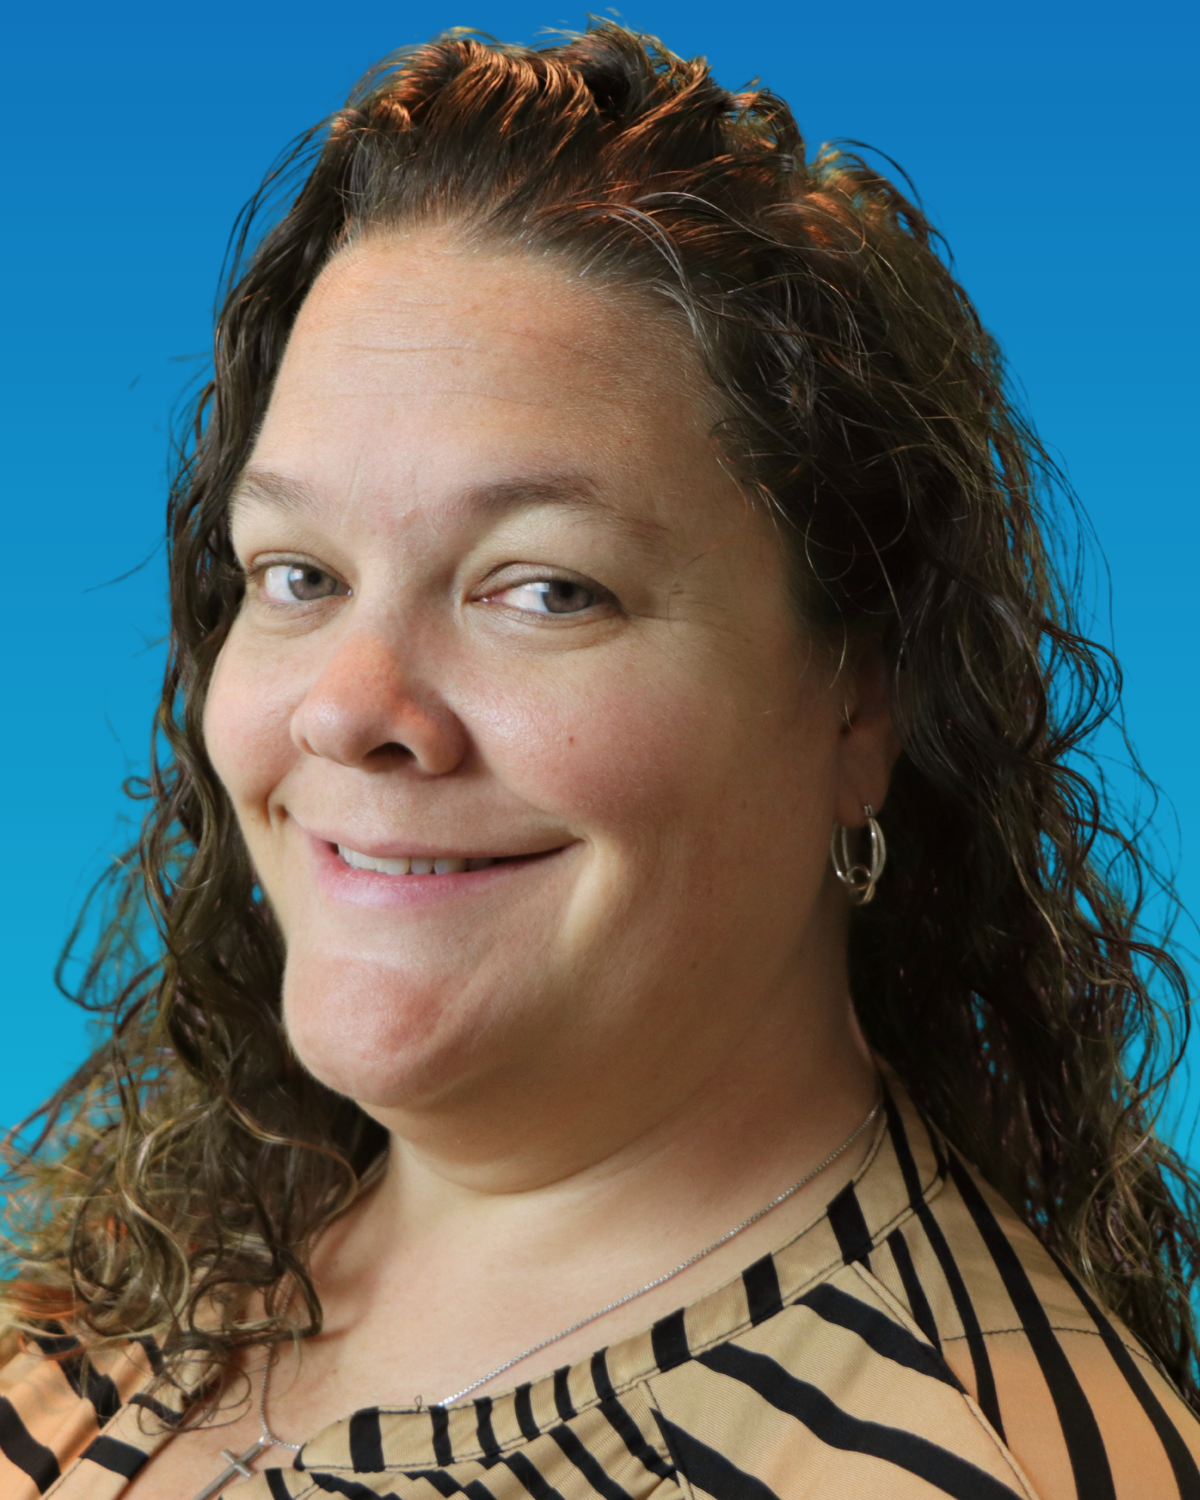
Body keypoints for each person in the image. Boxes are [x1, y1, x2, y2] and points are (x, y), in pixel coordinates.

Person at [2, 21, 1198, 1500]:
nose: (348, 708)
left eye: (544, 588)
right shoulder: (161, 1270)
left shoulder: (939, 1465)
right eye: (298, 575)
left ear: (862, 703)